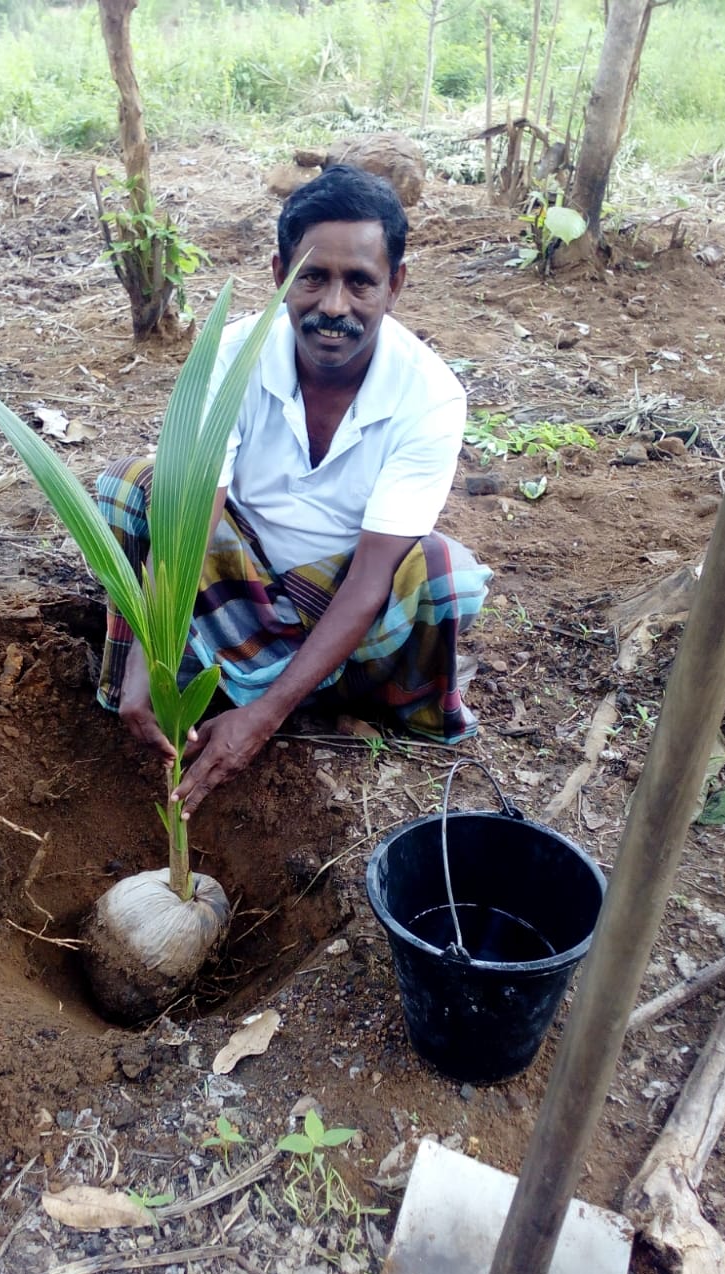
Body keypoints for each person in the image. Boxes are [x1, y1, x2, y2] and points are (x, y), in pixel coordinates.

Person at [96, 164, 492, 819]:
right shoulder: (230, 359)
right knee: (131, 486)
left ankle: (301, 690)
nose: (333, 305)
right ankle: (182, 684)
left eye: (359, 281)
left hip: (342, 601)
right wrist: (148, 648)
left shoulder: (429, 396)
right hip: (236, 580)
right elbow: (191, 524)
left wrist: (265, 716)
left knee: (445, 575)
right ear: (280, 273)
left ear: (394, 284)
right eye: (312, 277)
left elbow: (372, 579)